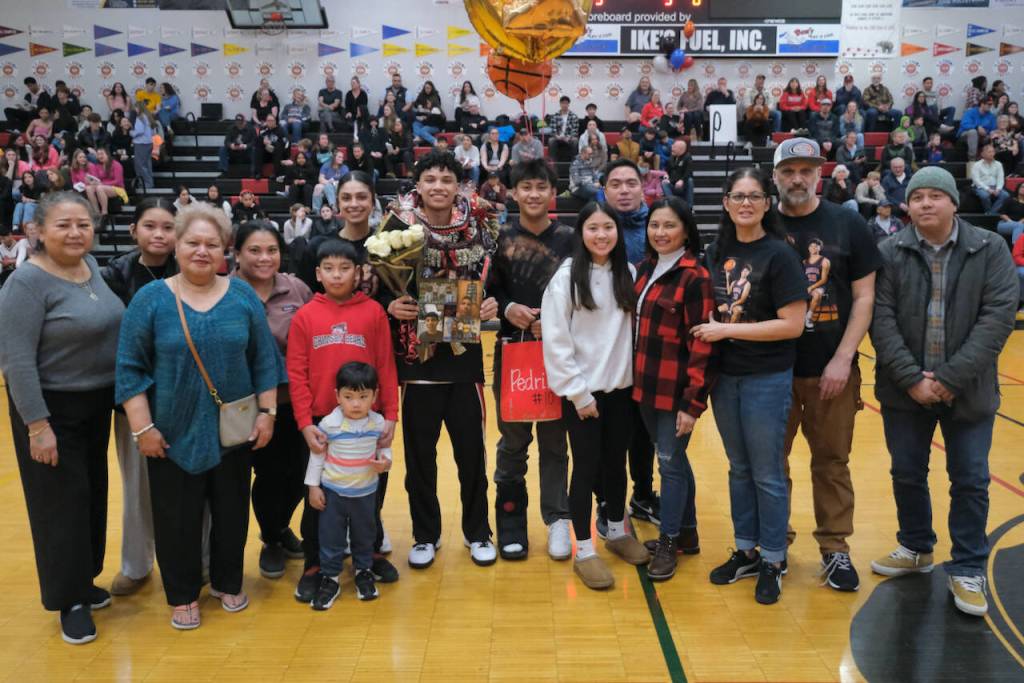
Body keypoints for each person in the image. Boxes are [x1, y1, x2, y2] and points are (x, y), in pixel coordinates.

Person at [116, 203, 285, 630]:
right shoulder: (150, 299)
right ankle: (182, 594)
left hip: (234, 427)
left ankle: (228, 582)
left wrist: (267, 413)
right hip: (170, 432)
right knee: (175, 518)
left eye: (212, 244)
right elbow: (129, 368)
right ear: (176, 244)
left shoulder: (242, 294)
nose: (202, 251)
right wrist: (143, 428)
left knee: (231, 512)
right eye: (193, 242)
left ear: (225, 249)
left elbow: (264, 360)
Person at [868, 165, 1017, 617]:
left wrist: (949, 378)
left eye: (935, 195)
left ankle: (968, 566)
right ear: (906, 206)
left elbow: (997, 319)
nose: (926, 204)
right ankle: (916, 546)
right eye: (917, 197)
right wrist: (912, 378)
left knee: (970, 480)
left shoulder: (989, 248)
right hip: (904, 390)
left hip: (967, 392)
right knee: (906, 472)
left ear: (954, 202)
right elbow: (881, 320)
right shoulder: (889, 251)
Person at [0, 192, 125, 644]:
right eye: (63, 225)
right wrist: (37, 425)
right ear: (37, 230)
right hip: (51, 411)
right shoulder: (26, 284)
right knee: (59, 507)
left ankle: (85, 581)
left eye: (83, 225)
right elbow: (16, 361)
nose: (75, 233)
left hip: (94, 407)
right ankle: (67, 601)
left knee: (90, 495)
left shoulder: (90, 269)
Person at [771, 138, 882, 592]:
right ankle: (774, 547)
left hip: (831, 371)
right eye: (789, 170)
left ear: (819, 174)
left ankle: (834, 549)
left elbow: (864, 296)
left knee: (832, 462)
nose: (798, 178)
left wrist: (843, 358)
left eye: (806, 170)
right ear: (775, 174)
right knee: (769, 464)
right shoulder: (758, 221)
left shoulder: (848, 223)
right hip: (770, 371)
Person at [694, 168, 808, 605]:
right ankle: (746, 550)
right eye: (738, 196)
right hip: (726, 379)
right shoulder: (715, 251)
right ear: (725, 203)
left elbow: (793, 324)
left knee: (767, 473)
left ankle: (774, 559)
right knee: (739, 468)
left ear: (767, 203)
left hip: (766, 377)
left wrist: (726, 332)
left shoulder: (779, 255)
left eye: (754, 196)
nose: (745, 203)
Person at [382, 150, 499, 569]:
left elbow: (495, 275)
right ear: (418, 184)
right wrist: (390, 305)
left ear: (457, 185)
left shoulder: (481, 220)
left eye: (446, 179)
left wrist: (492, 302)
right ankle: (425, 535)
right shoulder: (398, 223)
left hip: (465, 360)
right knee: (419, 458)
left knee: (471, 455)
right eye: (429, 178)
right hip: (418, 362)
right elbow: (379, 280)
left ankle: (478, 532)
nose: (438, 186)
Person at [541, 201, 650, 589]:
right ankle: (584, 549)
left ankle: (617, 531)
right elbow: (556, 342)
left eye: (608, 228)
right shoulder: (567, 277)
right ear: (580, 233)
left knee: (615, 464)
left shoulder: (630, 272)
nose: (601, 235)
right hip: (585, 396)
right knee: (585, 469)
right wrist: (577, 393)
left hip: (622, 391)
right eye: (593, 228)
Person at [486, 159, 574, 561]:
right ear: (513, 193)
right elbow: (490, 292)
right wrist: (508, 310)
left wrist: (554, 324)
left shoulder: (571, 239)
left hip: (559, 356)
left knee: (556, 442)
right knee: (514, 442)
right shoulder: (498, 238)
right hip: (512, 352)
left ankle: (558, 520)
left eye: (542, 186)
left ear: (552, 193)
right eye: (526, 187)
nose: (534, 194)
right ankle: (510, 522)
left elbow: (582, 294)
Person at [633, 197, 716, 579]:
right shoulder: (647, 267)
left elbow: (702, 343)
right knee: (673, 460)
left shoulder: (694, 275)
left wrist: (692, 403)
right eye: (654, 225)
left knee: (669, 464)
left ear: (686, 230)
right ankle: (688, 533)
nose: (660, 232)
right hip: (645, 385)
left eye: (669, 225)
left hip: (675, 390)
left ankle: (668, 542)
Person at [98, 198, 178, 596]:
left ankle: (197, 560)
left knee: (193, 484)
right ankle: (137, 563)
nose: (159, 234)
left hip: (186, 396)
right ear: (134, 230)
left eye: (168, 226)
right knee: (137, 488)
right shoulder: (115, 275)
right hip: (135, 400)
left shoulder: (193, 266)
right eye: (151, 226)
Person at [229, 221, 314, 580]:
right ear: (236, 254)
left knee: (298, 474)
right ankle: (273, 540)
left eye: (272, 250)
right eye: (254, 250)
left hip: (292, 401)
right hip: (242, 405)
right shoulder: (225, 291)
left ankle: (277, 528)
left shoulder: (296, 288)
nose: (265, 258)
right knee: (266, 475)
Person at [598, 158, 659, 530]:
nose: (623, 190)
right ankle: (607, 500)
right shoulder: (596, 228)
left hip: (649, 348)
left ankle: (643, 492)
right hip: (606, 349)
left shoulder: (658, 226)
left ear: (642, 188)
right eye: (616, 184)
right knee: (609, 432)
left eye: (630, 183)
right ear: (604, 190)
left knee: (644, 430)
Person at [304, 361, 393, 608]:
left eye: (363, 396)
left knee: (365, 535)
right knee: (331, 537)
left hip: (365, 494)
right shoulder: (329, 425)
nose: (356, 404)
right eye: (349, 397)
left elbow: (385, 450)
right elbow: (317, 456)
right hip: (334, 494)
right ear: (337, 396)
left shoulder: (377, 423)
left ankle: (363, 571)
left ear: (375, 396)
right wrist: (313, 487)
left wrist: (384, 463)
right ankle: (330, 577)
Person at [971, 143, 1010, 215]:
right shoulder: (977, 165)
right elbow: (976, 180)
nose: (992, 154)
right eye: (989, 152)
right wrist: (988, 189)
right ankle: (988, 211)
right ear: (982, 154)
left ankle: (990, 213)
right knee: (985, 196)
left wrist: (998, 189)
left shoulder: (998, 164)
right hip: (980, 187)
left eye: (993, 152)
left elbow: (1000, 178)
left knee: (1005, 195)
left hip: (995, 186)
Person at [130, 103, 155, 191]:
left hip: (141, 143)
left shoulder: (140, 117)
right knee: (147, 164)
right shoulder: (149, 117)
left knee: (140, 165)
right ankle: (150, 183)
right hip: (149, 143)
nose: (134, 110)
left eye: (135, 108)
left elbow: (139, 131)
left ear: (139, 108)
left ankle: (145, 184)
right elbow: (153, 132)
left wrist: (131, 133)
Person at [545, 95, 579, 160]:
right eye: (563, 103)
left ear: (569, 104)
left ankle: (574, 162)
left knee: (575, 141)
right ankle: (552, 162)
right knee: (551, 140)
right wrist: (557, 137)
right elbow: (553, 130)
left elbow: (575, 131)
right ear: (560, 104)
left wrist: (568, 137)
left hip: (569, 138)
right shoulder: (555, 116)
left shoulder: (574, 116)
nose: (564, 105)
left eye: (566, 103)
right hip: (558, 138)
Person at [411, 81, 444, 146]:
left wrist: (426, 117)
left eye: (429, 88)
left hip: (434, 125)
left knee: (422, 130)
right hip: (425, 121)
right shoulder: (421, 95)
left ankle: (435, 142)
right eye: (426, 88)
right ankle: (418, 137)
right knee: (415, 124)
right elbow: (416, 106)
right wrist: (419, 108)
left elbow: (435, 121)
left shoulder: (436, 108)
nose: (427, 89)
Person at [256, 113, 288, 179]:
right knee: (258, 148)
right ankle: (258, 173)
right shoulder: (262, 130)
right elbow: (257, 141)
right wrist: (263, 142)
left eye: (271, 121)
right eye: (268, 121)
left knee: (278, 147)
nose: (270, 122)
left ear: (275, 121)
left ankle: (275, 173)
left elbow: (285, 144)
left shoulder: (281, 130)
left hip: (278, 152)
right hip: (266, 153)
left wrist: (272, 143)